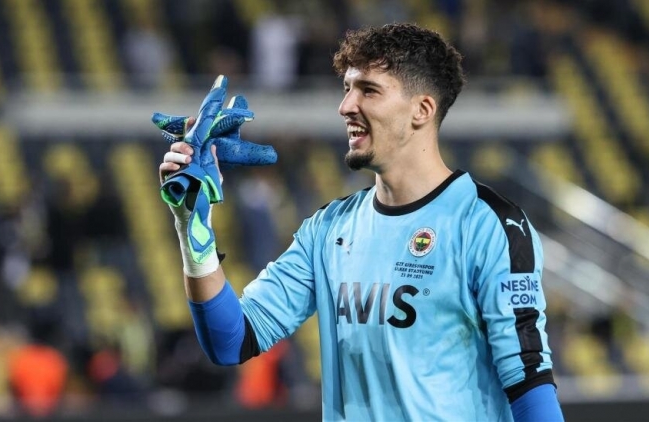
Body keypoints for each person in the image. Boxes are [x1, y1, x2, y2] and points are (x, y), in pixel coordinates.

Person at [157, 23, 564, 421]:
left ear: (422, 110)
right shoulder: (328, 229)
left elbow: (529, 384)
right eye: (347, 88)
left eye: (368, 90)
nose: (346, 106)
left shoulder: (489, 225)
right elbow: (231, 341)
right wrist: (192, 227)